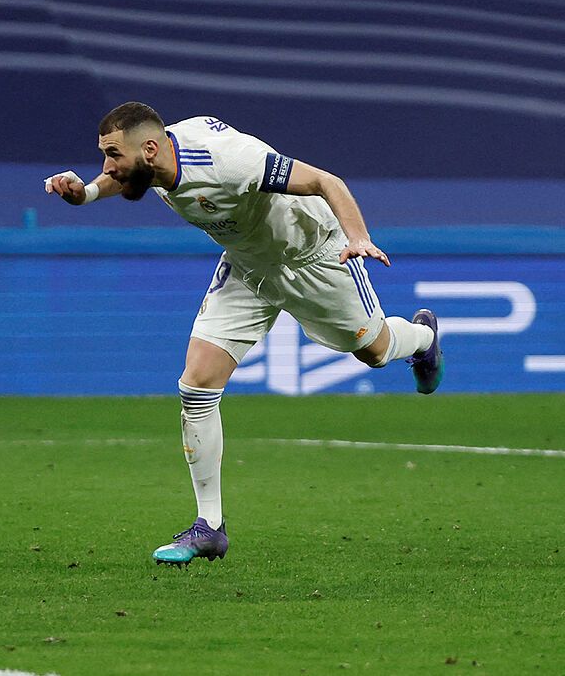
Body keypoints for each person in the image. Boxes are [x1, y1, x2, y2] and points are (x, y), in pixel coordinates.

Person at [44, 102, 443, 567]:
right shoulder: (151, 160)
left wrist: (358, 237)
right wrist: (86, 194)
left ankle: (422, 340)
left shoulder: (228, 161)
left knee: (373, 351)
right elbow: (126, 176)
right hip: (247, 264)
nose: (107, 166)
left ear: (150, 148)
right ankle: (209, 527)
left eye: (112, 155)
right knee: (196, 385)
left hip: (313, 255)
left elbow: (325, 181)